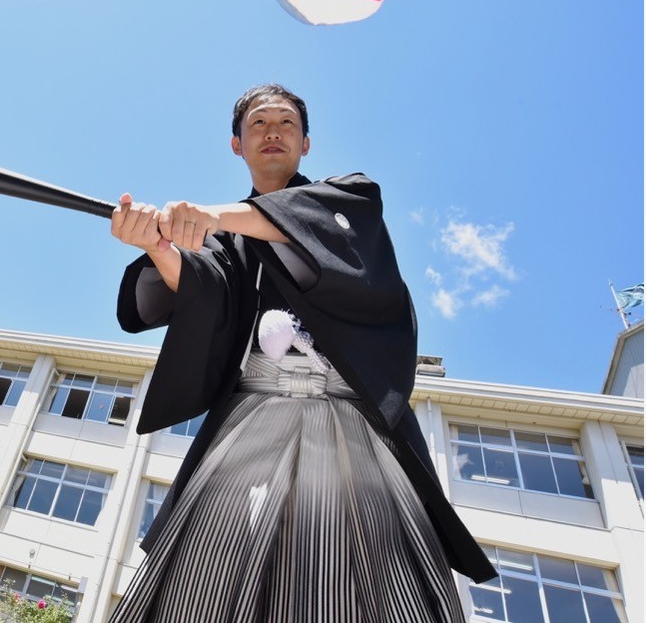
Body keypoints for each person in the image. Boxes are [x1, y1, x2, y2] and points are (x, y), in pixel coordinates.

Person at [108, 84, 495, 622]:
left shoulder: (350, 197)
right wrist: (158, 245)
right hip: (254, 414)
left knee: (379, 581)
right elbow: (205, 285)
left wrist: (208, 217)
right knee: (207, 579)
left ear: (306, 143)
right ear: (236, 145)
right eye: (258, 123)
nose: (273, 131)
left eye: (286, 122)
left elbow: (305, 223)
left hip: (354, 418)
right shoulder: (222, 237)